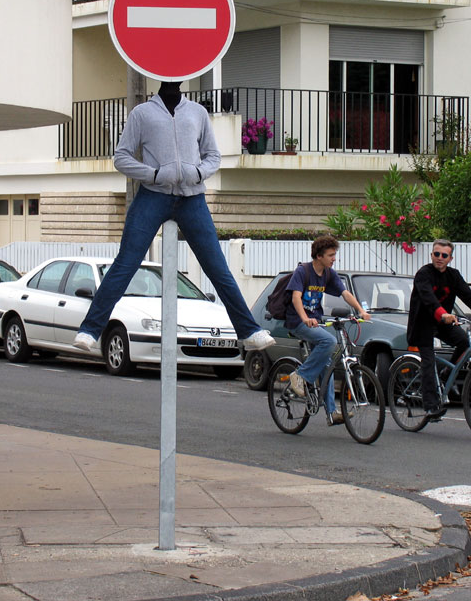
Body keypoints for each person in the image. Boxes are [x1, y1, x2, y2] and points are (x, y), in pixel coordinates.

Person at [73, 81, 276, 353]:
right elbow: (121, 157)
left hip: (192, 198)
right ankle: (90, 330)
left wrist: (199, 172)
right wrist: (154, 174)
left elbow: (213, 155)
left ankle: (249, 331)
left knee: (217, 267)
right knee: (125, 264)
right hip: (152, 196)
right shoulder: (142, 113)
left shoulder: (197, 113)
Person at [286, 235, 371, 426]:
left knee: (327, 364)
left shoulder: (328, 273)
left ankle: (331, 413)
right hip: (298, 321)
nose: (334, 259)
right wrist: (305, 318)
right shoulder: (303, 271)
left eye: (335, 255)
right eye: (331, 255)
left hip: (316, 321)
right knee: (329, 342)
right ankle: (300, 375)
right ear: (318, 256)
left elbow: (344, 293)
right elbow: (296, 298)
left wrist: (361, 310)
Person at [407, 239, 471, 421]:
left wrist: (445, 317)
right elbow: (428, 298)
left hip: (443, 323)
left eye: (444, 255)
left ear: (450, 258)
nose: (439, 258)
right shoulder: (424, 274)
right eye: (436, 254)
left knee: (464, 343)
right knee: (428, 362)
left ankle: (446, 375)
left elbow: (467, 295)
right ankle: (430, 407)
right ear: (431, 255)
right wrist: (443, 314)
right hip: (422, 324)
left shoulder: (453, 275)